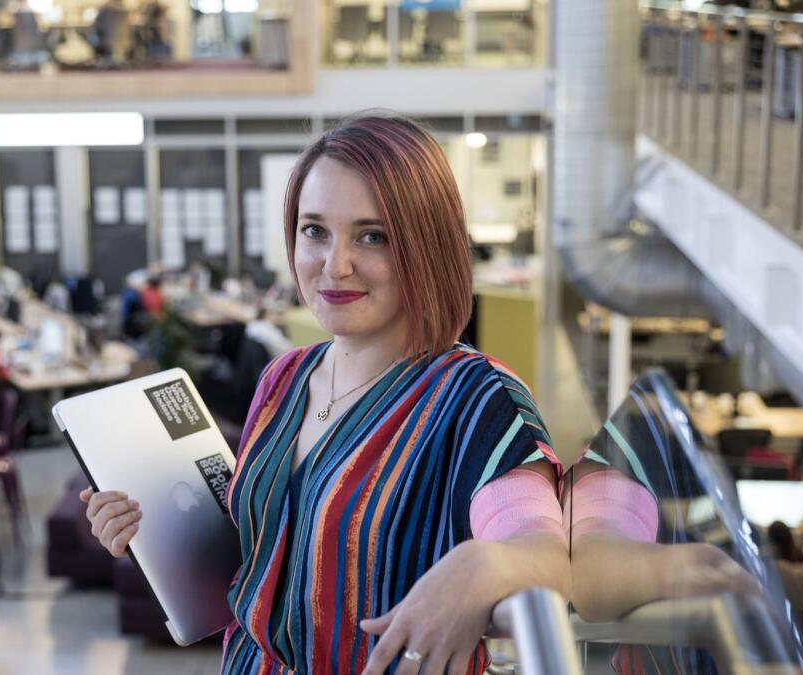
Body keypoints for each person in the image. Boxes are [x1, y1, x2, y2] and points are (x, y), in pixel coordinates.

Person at [81, 114, 569, 674]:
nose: (334, 265)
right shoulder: (284, 378)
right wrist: (146, 532)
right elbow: (268, 554)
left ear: (426, 245)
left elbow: (545, 555)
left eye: (372, 235)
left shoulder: (478, 398)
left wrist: (487, 565)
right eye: (315, 230)